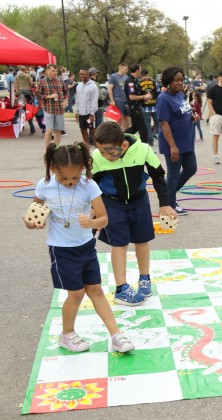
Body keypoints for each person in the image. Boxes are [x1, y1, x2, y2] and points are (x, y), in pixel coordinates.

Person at [26, 143, 134, 353]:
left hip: (86, 246)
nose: (69, 183)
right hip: (61, 249)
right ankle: (67, 334)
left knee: (96, 290)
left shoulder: (89, 185)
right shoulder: (44, 185)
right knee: (76, 293)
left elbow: (103, 219)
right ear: (52, 168)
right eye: (63, 178)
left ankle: (116, 335)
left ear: (83, 169)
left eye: (75, 178)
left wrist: (92, 223)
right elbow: (32, 215)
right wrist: (33, 223)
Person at [92, 121, 176, 307]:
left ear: (123, 145)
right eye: (100, 150)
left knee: (142, 240)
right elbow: (91, 185)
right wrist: (93, 209)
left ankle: (144, 278)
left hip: (139, 203)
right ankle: (121, 288)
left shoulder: (143, 150)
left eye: (108, 151)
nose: (104, 155)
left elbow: (158, 175)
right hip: (112, 205)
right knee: (119, 244)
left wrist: (164, 204)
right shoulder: (97, 157)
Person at [156, 66, 198, 215]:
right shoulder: (163, 99)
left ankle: (168, 196)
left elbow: (184, 112)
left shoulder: (180, 95)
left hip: (186, 142)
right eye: (177, 80)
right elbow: (164, 123)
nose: (180, 83)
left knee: (191, 168)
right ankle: (170, 204)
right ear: (168, 81)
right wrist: (173, 146)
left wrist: (192, 116)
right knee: (173, 176)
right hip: (173, 144)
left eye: (182, 80)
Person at [37, 64, 68, 147]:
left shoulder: (60, 80)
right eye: (53, 71)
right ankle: (47, 150)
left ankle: (55, 148)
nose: (55, 73)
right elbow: (37, 95)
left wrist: (65, 100)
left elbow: (66, 92)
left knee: (58, 130)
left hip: (59, 109)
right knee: (49, 130)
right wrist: (49, 96)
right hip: (48, 109)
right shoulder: (42, 81)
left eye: (56, 71)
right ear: (47, 71)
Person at [123, 64, 151, 143]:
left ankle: (120, 137)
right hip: (134, 108)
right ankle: (145, 148)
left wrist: (145, 98)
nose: (141, 70)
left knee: (135, 128)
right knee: (143, 129)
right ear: (137, 70)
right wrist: (144, 97)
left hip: (137, 107)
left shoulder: (135, 80)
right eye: (140, 69)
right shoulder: (130, 81)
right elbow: (131, 97)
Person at [74, 68, 99, 146]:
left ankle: (98, 148)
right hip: (81, 114)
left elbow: (94, 101)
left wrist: (92, 114)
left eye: (83, 74)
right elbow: (77, 99)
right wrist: (76, 111)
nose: (81, 75)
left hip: (89, 114)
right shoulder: (79, 86)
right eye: (80, 74)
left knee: (92, 131)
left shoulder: (93, 86)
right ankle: (87, 148)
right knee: (83, 131)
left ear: (88, 75)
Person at [139, 68, 159, 147]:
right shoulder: (154, 82)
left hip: (145, 107)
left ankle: (150, 141)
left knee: (147, 125)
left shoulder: (140, 83)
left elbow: (139, 94)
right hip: (155, 106)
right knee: (159, 124)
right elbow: (158, 92)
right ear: (148, 74)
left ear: (142, 75)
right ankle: (162, 139)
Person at [107, 63, 129, 129]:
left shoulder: (126, 77)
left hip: (126, 100)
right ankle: (118, 132)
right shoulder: (113, 76)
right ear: (120, 68)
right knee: (119, 117)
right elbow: (109, 88)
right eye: (125, 69)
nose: (126, 71)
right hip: (118, 99)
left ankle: (126, 132)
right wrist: (112, 100)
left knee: (126, 117)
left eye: (127, 69)